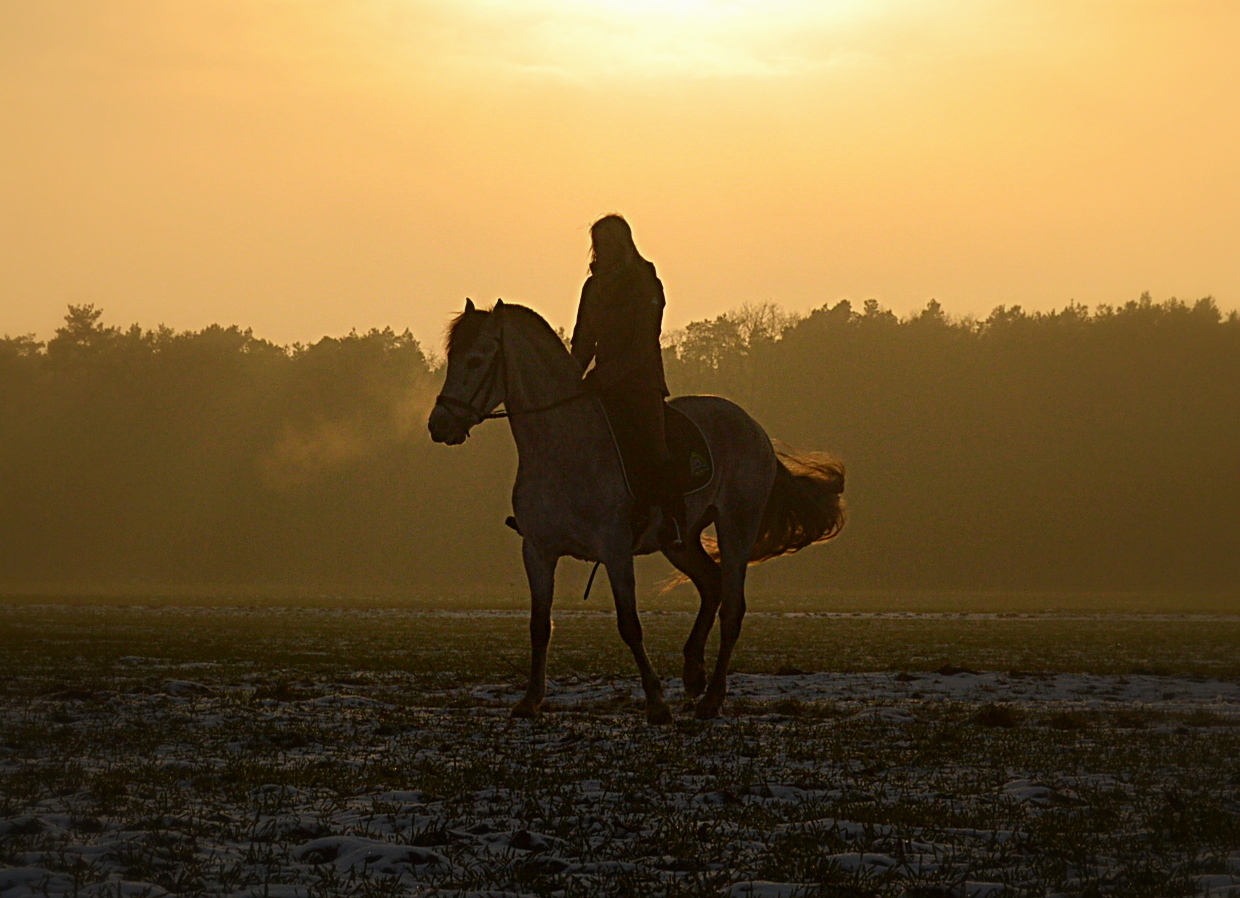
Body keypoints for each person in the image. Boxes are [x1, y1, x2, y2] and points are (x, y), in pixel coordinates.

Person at [570, 214, 686, 549]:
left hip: (640, 384)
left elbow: (643, 343)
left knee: (654, 449)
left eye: (608, 244)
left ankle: (672, 521)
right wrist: (568, 379)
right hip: (600, 385)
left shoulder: (645, 284)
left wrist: (603, 377)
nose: (601, 251)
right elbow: (583, 341)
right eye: (598, 245)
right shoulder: (592, 288)